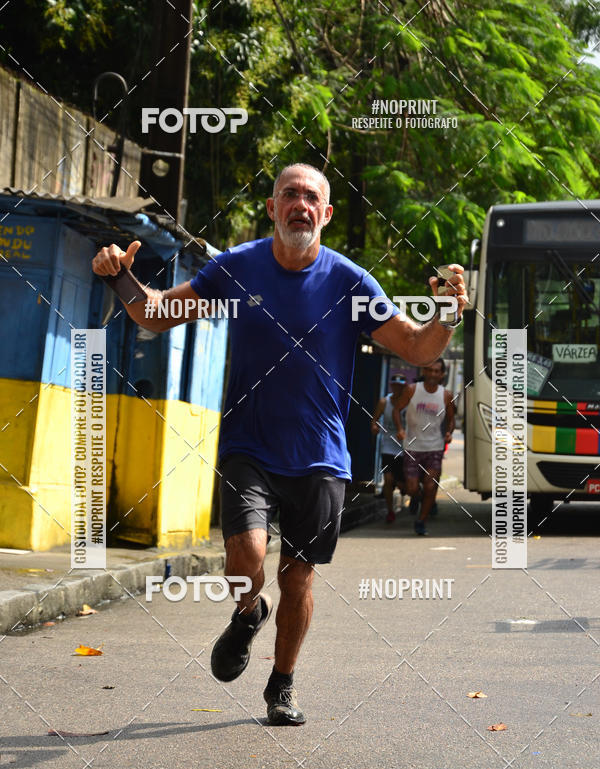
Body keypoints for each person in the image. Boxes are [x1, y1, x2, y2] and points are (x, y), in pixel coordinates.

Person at [91, 163, 467, 725]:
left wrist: (446, 313)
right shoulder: (235, 268)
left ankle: (282, 685)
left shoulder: (351, 283)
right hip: (248, 446)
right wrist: (119, 276)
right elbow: (155, 313)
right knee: (245, 558)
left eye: (311, 197)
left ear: (326, 213)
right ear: (272, 207)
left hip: (321, 456)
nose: (300, 205)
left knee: (299, 577)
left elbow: (415, 347)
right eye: (289, 194)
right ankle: (247, 611)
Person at [394, 358, 455, 536]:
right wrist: (399, 429)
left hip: (434, 447)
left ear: (442, 374)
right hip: (412, 447)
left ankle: (421, 521)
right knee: (412, 488)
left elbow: (451, 419)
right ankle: (420, 499)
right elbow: (396, 409)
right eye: (429, 370)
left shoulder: (446, 395)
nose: (432, 374)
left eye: (437, 371)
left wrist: (449, 432)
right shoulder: (412, 390)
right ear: (423, 372)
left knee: (430, 486)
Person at [371, 376, 407, 523]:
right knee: (388, 479)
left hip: (405, 447)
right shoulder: (384, 402)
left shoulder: (408, 403)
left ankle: (414, 497)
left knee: (402, 484)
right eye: (394, 385)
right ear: (391, 386)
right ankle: (390, 511)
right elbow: (374, 420)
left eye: (400, 386)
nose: (397, 388)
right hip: (387, 445)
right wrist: (374, 427)